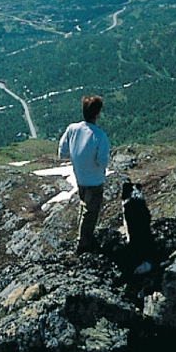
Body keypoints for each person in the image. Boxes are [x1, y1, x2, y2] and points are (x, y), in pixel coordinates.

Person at [58, 94, 110, 255]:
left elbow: (62, 152)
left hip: (80, 177)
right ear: (97, 114)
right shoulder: (100, 136)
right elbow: (102, 162)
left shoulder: (72, 129)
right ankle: (84, 244)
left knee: (84, 207)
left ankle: (82, 237)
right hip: (95, 180)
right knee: (91, 212)